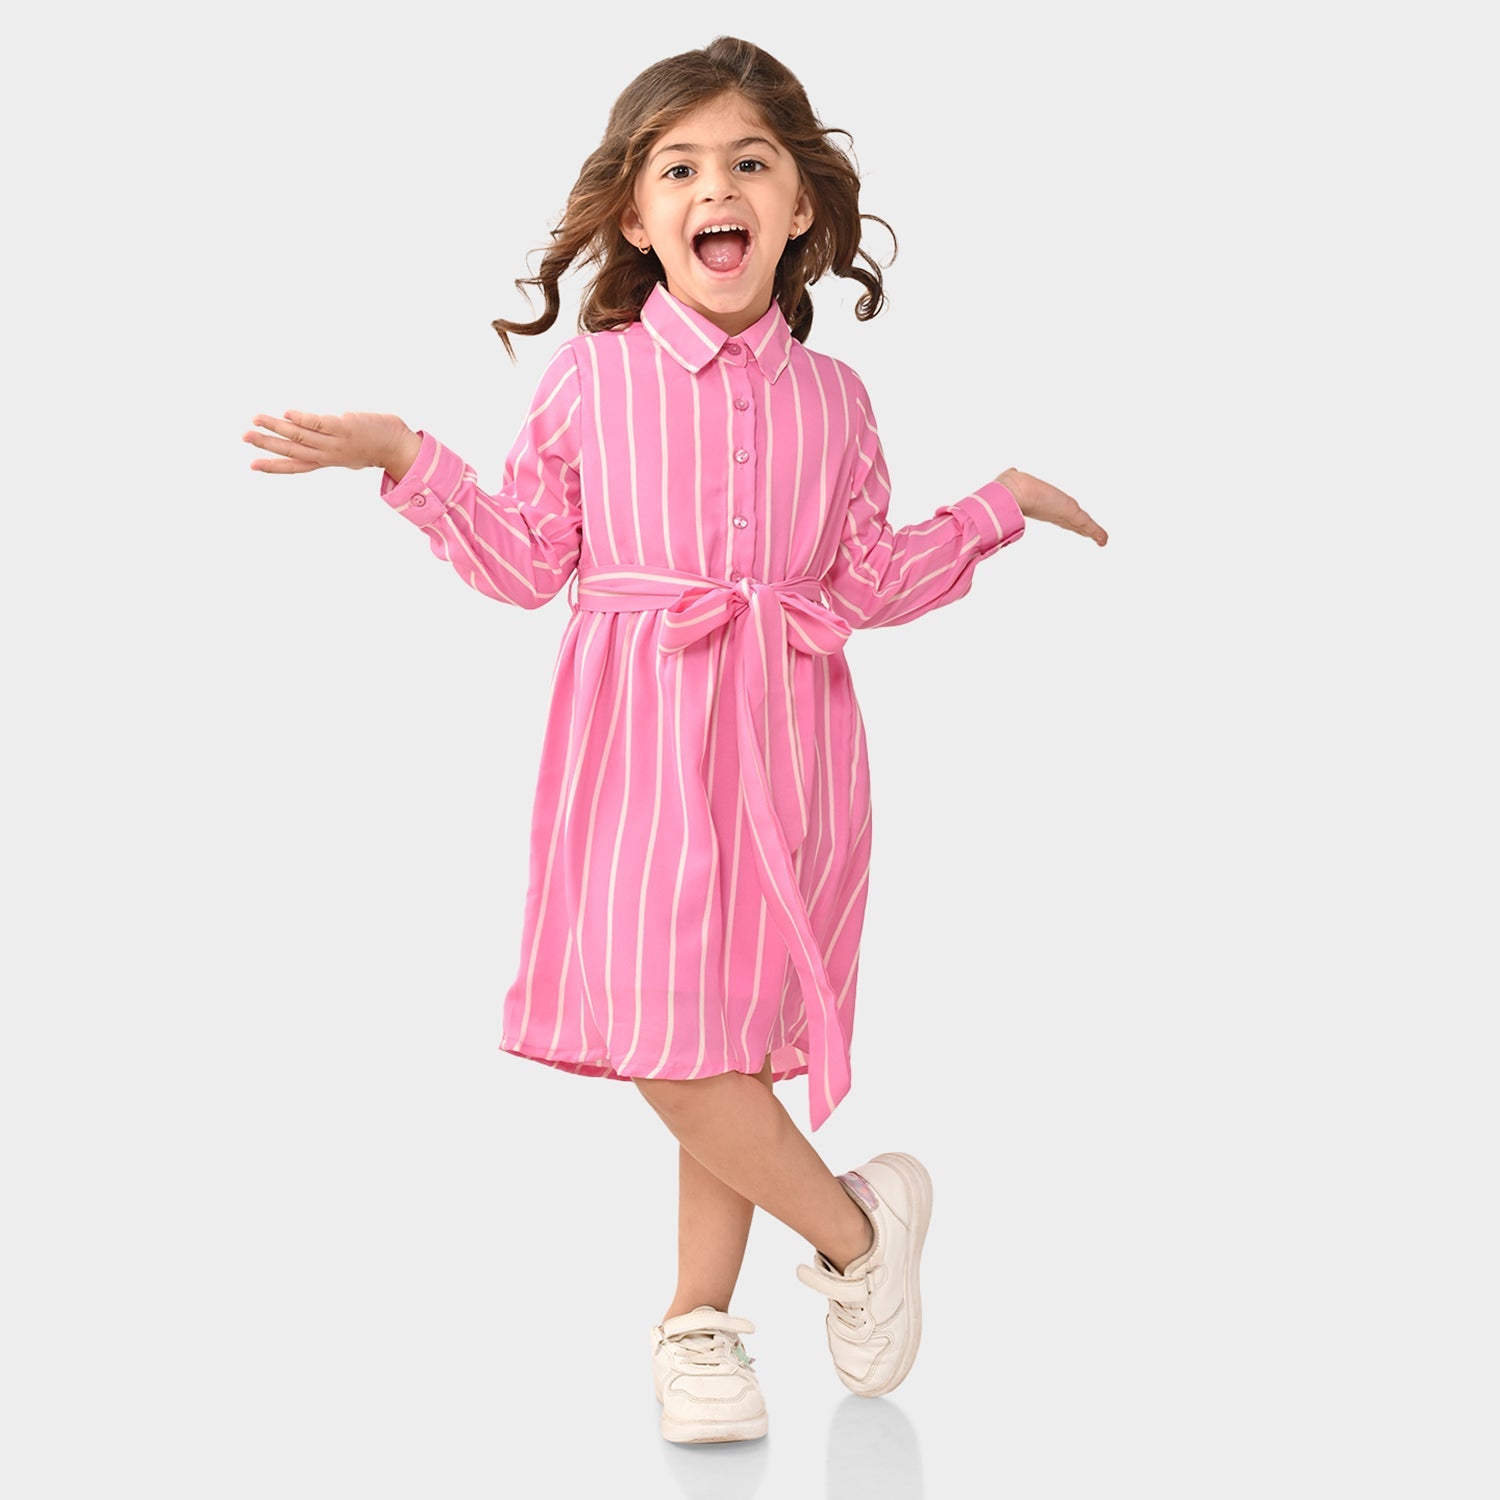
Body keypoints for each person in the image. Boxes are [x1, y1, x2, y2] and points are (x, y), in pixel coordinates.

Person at [242, 34, 1107, 1446]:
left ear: (800, 206)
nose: (718, 188)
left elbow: (862, 582)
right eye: (681, 167)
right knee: (662, 1032)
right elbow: (527, 561)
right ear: (639, 217)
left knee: (723, 1045)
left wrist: (992, 508)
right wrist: (406, 457)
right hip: (636, 748)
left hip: (790, 748)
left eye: (750, 163)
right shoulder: (591, 379)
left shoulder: (836, 400)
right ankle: (858, 1232)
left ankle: (699, 1323)